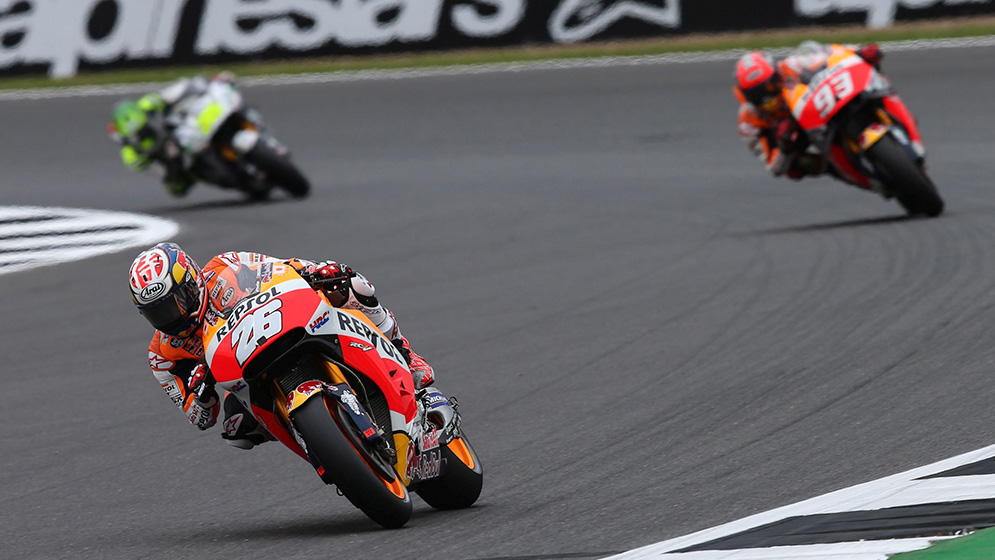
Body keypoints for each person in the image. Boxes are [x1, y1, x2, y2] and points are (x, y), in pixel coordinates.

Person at [128, 242, 437, 449]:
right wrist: (202, 393)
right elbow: (200, 418)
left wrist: (314, 270)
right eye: (159, 312)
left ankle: (407, 356)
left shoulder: (226, 266)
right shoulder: (163, 355)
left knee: (353, 285)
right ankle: (315, 436)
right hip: (243, 376)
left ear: (192, 280)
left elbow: (281, 268)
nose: (174, 316)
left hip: (282, 325)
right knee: (236, 430)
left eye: (175, 302)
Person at [733, 42, 885, 180]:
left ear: (777, 73)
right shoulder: (748, 124)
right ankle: (848, 173)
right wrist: (785, 146)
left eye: (771, 86)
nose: (768, 99)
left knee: (865, 81)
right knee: (795, 170)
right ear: (744, 95)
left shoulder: (792, 66)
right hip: (797, 135)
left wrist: (859, 51)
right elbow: (774, 167)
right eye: (756, 95)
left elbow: (831, 54)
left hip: (821, 104)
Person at [108, 73, 267, 197]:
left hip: (186, 125)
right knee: (178, 187)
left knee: (226, 99)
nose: (142, 134)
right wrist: (172, 169)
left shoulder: (148, 103)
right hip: (177, 156)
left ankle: (255, 128)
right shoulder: (131, 155)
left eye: (143, 129)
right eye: (137, 134)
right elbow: (160, 174)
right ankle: (236, 180)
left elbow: (180, 89)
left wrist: (204, 83)